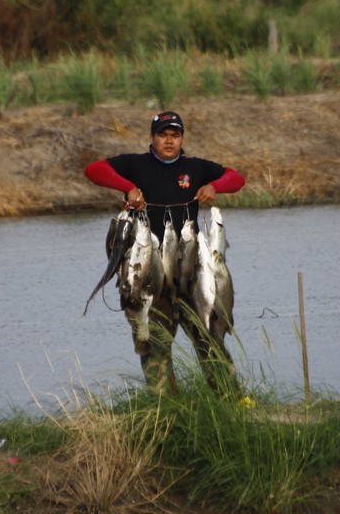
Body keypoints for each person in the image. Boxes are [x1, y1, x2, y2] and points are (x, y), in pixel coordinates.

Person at [85, 111, 245, 391]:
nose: (169, 141)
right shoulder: (134, 164)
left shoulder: (196, 168)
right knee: (155, 344)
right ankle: (166, 410)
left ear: (182, 138)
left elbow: (237, 178)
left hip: (191, 273)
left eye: (175, 135)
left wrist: (213, 186)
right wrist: (128, 187)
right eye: (163, 135)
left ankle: (231, 401)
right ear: (152, 138)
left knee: (209, 338)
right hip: (147, 273)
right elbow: (93, 170)